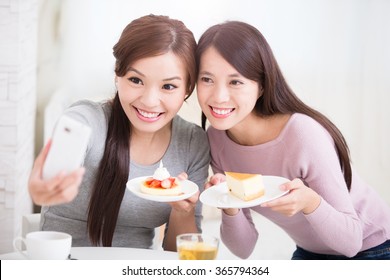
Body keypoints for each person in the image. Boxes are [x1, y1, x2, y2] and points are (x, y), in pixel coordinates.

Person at [195, 20, 390, 259]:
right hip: (311, 252)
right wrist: (229, 206)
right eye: (207, 79)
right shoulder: (216, 139)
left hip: (375, 248)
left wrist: (311, 203)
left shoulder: (302, 134)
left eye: (235, 81)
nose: (219, 96)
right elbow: (243, 249)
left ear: (262, 86)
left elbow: (351, 242)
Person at [28, 14, 210, 251]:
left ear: (187, 88)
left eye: (168, 86)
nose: (150, 101)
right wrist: (44, 185)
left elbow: (179, 254)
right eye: (136, 80)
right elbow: (62, 150)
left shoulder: (193, 143)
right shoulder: (87, 120)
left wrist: (182, 211)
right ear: (117, 74)